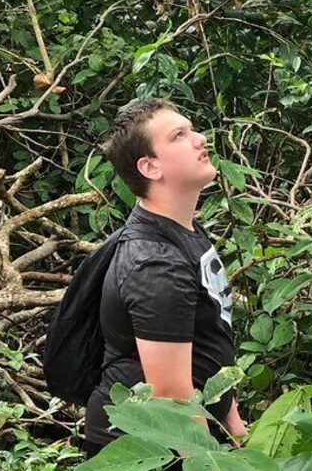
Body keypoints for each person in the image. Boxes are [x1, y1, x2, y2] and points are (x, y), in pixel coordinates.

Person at [84, 98, 247, 459]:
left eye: (192, 129)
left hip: (193, 434)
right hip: (150, 447)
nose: (200, 139)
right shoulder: (154, 265)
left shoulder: (182, 229)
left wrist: (238, 434)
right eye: (179, 135)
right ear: (151, 167)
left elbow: (211, 343)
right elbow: (173, 397)